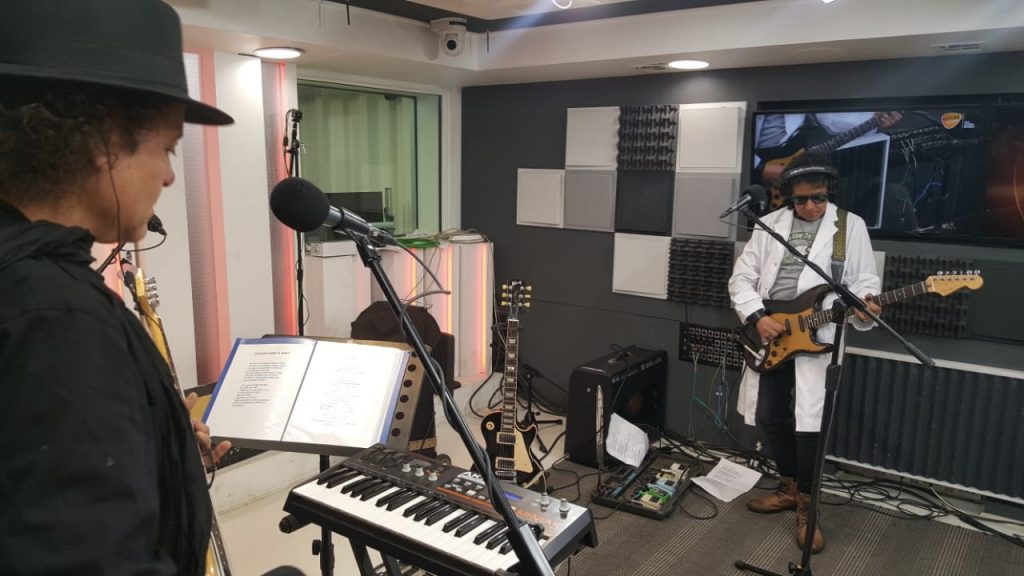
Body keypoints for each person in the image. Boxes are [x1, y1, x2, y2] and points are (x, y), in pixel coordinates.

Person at [0, 1, 236, 574]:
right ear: (103, 142)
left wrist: (154, 434)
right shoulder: (60, 319)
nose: (169, 175)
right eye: (167, 148)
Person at [729, 153, 882, 553]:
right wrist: (758, 316)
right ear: (788, 197)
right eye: (801, 200)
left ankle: (807, 506)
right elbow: (741, 278)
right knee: (770, 416)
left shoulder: (849, 227)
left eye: (818, 198)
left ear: (829, 192)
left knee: (810, 426)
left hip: (819, 335)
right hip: (773, 333)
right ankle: (788, 487)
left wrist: (867, 305)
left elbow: (864, 280)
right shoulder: (769, 224)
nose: (811, 206)